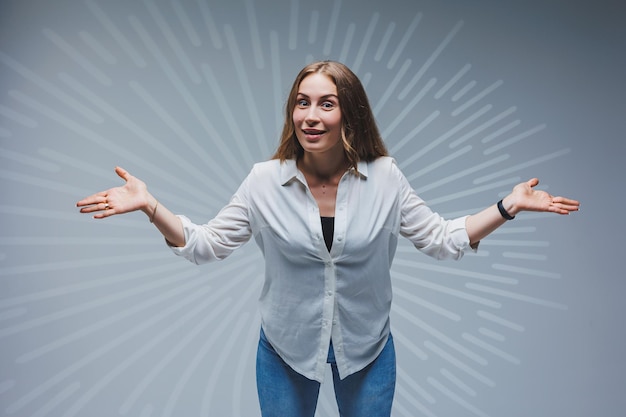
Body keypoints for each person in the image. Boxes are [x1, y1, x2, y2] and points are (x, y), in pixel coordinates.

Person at [76, 61, 579, 417]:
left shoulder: (385, 177)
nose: (310, 116)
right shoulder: (262, 181)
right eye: (302, 103)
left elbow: (442, 239)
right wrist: (150, 206)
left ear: (349, 114)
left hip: (369, 350)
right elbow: (204, 244)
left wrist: (506, 206)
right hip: (284, 351)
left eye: (326, 103)